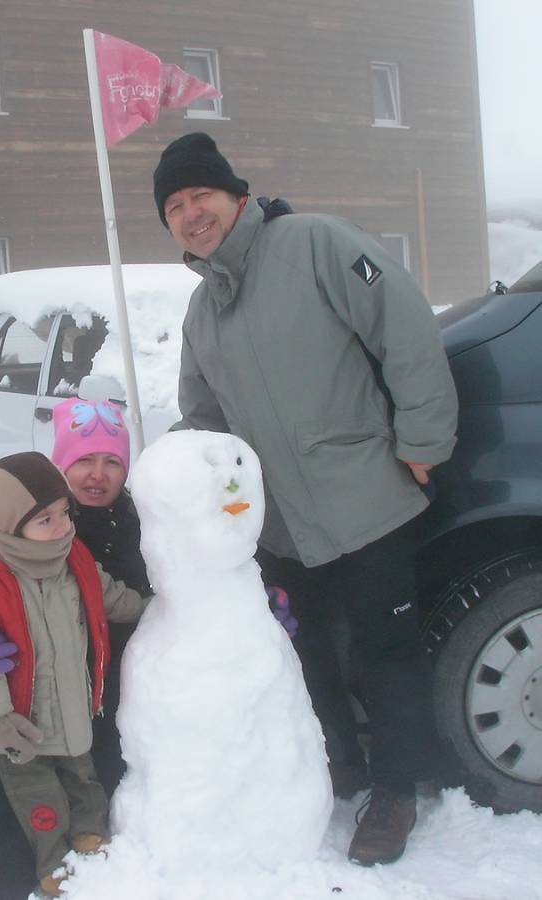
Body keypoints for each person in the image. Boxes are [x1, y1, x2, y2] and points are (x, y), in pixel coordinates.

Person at [152, 131, 459, 866]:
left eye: (201, 195)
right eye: (174, 205)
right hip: (281, 527)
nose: (191, 213)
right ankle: (336, 769)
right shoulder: (202, 314)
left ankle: (394, 790)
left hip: (366, 498)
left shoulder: (313, 243)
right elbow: (203, 424)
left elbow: (405, 328)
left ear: (235, 195)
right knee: (308, 653)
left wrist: (422, 441)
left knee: (385, 651)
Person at [0, 450, 147, 897]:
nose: (61, 527)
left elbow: (113, 597)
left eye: (63, 514)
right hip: (17, 725)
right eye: (45, 520)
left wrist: (156, 610)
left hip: (72, 709)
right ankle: (53, 863)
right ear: (12, 524)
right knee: (39, 797)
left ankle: (89, 837)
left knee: (84, 781)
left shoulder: (73, 558)